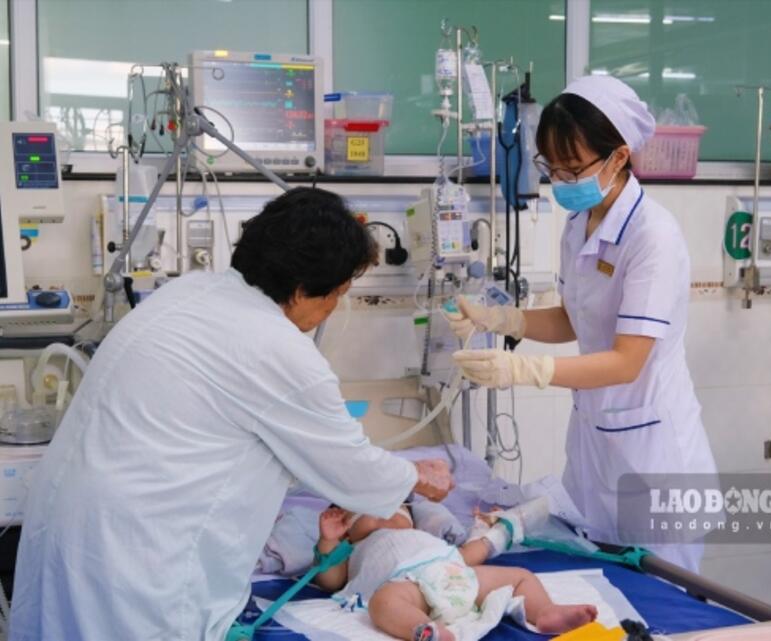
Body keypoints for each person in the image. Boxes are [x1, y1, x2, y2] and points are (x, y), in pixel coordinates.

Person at [10, 187, 453, 641]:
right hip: (139, 561)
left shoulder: (187, 292)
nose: (332, 310)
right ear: (301, 290)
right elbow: (353, 471)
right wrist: (417, 475)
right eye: (336, 294)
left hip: (72, 532)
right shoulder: (276, 348)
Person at [447, 76, 717, 572]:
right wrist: (501, 318)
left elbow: (627, 361)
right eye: (551, 167)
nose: (560, 181)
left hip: (653, 456)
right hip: (597, 443)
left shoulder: (653, 236)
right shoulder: (580, 222)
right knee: (602, 577)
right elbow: (575, 319)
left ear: (618, 157)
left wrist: (523, 370)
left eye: (572, 168)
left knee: (664, 590)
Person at [313, 503, 598, 641]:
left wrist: (493, 532)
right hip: (409, 588)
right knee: (383, 603)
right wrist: (328, 541)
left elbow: (474, 552)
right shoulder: (352, 549)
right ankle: (429, 631)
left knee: (520, 576)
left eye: (395, 509)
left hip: (453, 572)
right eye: (368, 512)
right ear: (348, 531)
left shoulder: (429, 542)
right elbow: (331, 580)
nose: (384, 515)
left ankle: (545, 611)